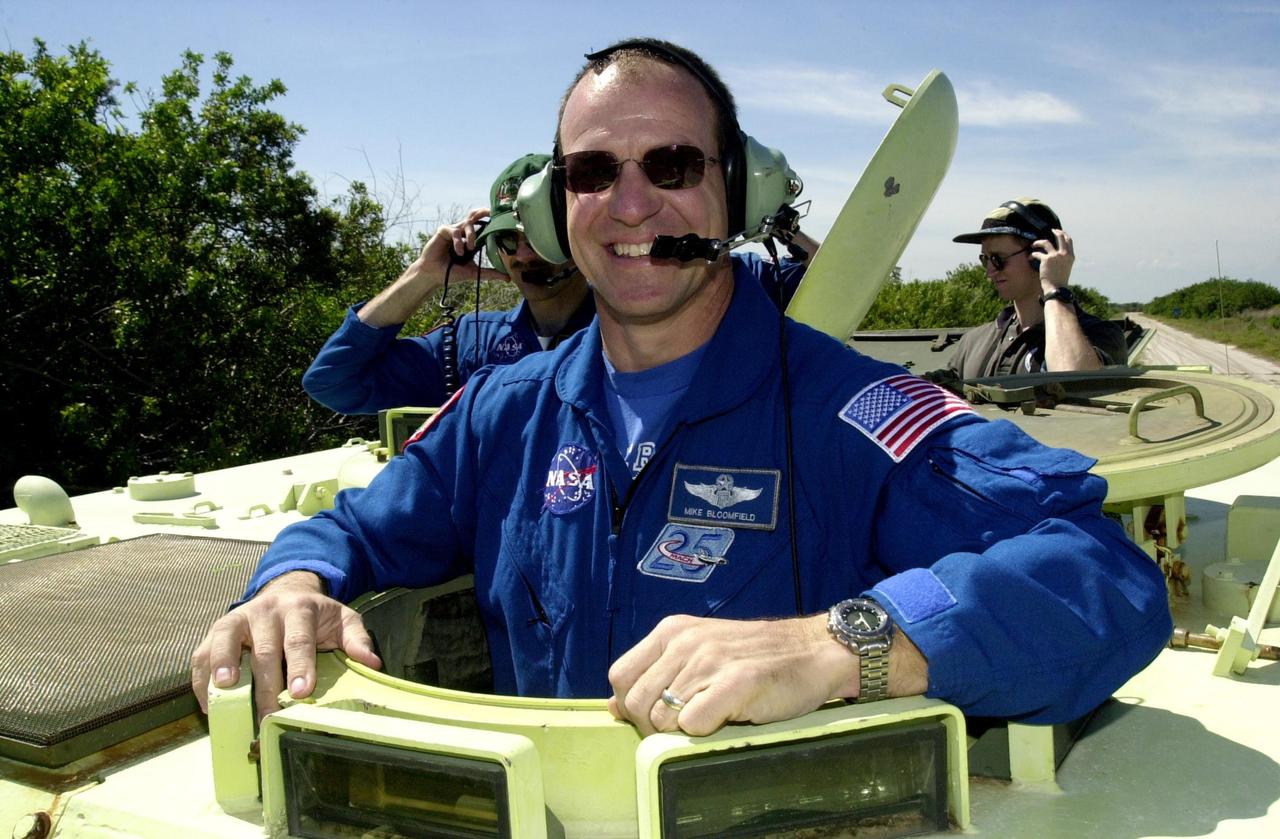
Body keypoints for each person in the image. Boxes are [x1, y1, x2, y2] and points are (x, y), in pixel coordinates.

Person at [192, 38, 1169, 739]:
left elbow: (1102, 574)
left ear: (732, 194)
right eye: (589, 172)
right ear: (555, 206)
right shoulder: (505, 409)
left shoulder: (847, 413)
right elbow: (355, 528)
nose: (628, 202)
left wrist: (848, 642)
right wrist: (290, 586)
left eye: (669, 164)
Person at [303, 153, 814, 414]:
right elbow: (332, 382)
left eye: (535, 239)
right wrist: (422, 277)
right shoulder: (469, 343)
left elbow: (825, 277)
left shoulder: (651, 316)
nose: (524, 257)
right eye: (507, 243)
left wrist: (778, 222)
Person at [945, 198, 1128, 379]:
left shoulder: (1099, 335)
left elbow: (1075, 382)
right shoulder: (973, 342)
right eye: (985, 260)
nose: (989, 272)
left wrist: (1055, 288)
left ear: (1039, 256)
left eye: (998, 259)